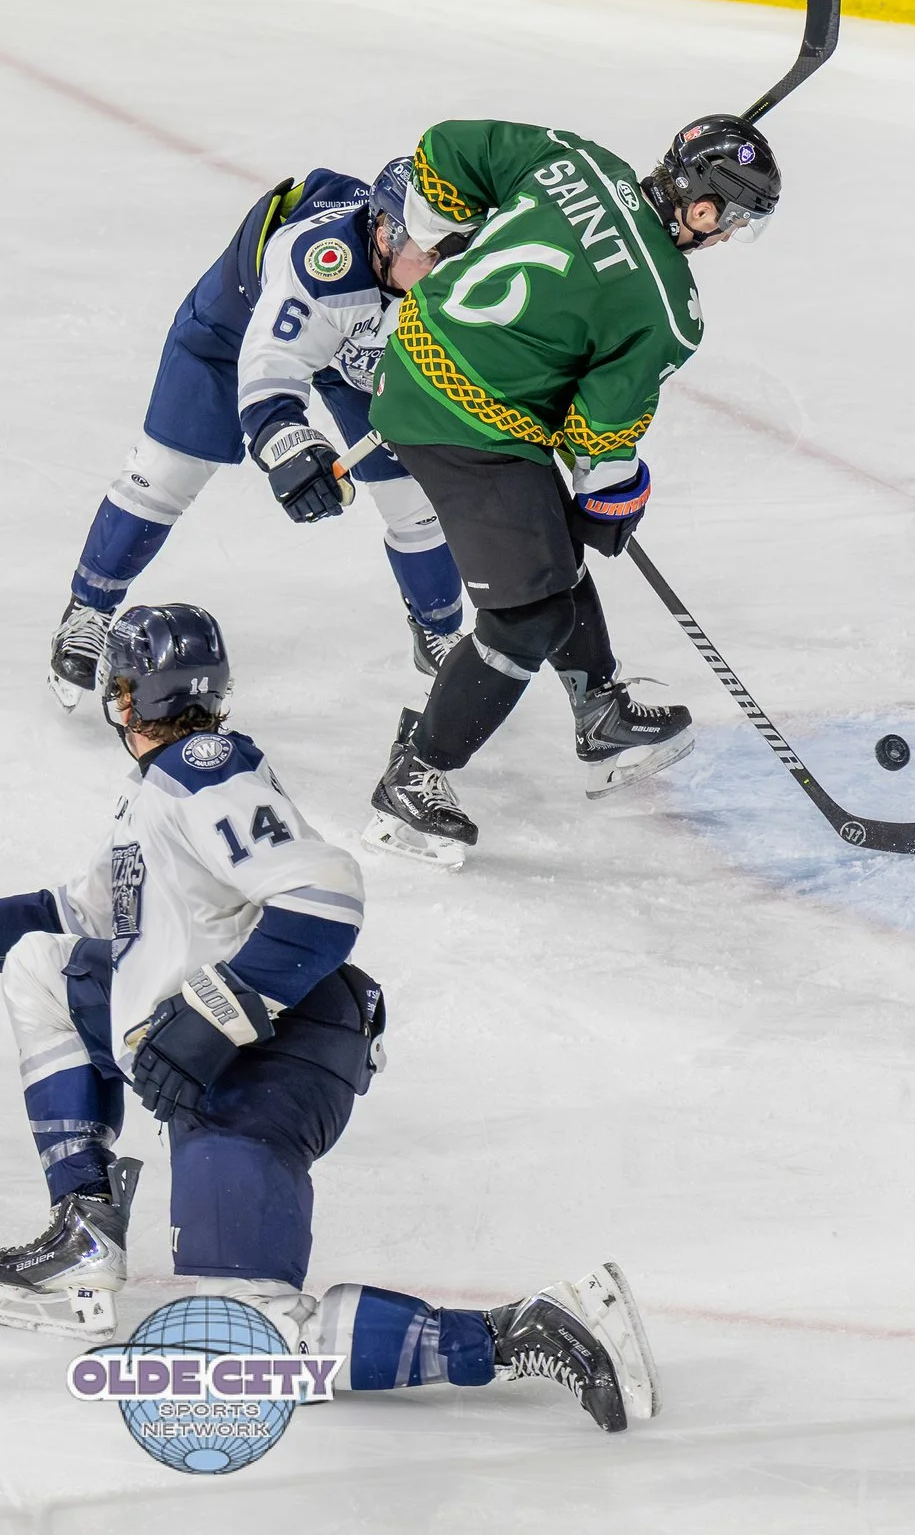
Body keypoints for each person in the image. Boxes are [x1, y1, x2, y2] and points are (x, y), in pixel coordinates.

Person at [0, 604, 654, 1431]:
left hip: (270, 1065)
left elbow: (325, 897)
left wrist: (212, 1019)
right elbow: (82, 917)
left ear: (124, 699)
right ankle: (83, 1233)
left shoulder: (207, 770)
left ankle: (523, 1330)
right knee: (39, 969)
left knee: (248, 1340)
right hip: (239, 1051)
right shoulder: (162, 793)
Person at [361, 116, 783, 865]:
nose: (727, 238)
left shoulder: (576, 158)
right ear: (704, 209)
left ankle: (601, 712)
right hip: (459, 421)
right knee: (529, 615)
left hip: (421, 360)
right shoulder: (667, 309)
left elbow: (448, 147)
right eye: (735, 221)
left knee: (548, 549)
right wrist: (616, 497)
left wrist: (432, 233)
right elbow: (597, 437)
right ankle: (415, 775)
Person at [46, 163, 467, 708]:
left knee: (411, 495)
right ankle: (89, 608)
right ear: (382, 231)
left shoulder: (457, 270)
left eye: (449, 250)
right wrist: (291, 445)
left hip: (361, 349)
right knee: (167, 472)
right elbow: (274, 370)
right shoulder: (322, 263)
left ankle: (439, 628)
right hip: (239, 325)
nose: (434, 266)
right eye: (421, 248)